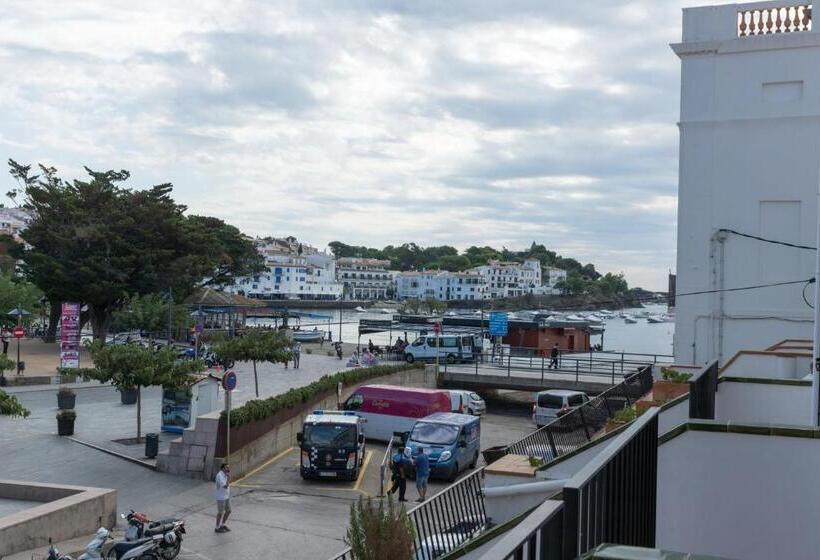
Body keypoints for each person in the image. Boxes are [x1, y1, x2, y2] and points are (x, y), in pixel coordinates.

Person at [214, 463, 232, 533]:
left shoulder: (225, 475)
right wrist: (229, 478)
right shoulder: (219, 475)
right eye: (227, 468)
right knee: (220, 513)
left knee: (229, 511)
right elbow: (225, 486)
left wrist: (227, 477)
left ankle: (222, 525)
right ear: (223, 468)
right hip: (221, 497)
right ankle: (217, 527)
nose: (228, 469)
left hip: (226, 496)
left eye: (228, 467)